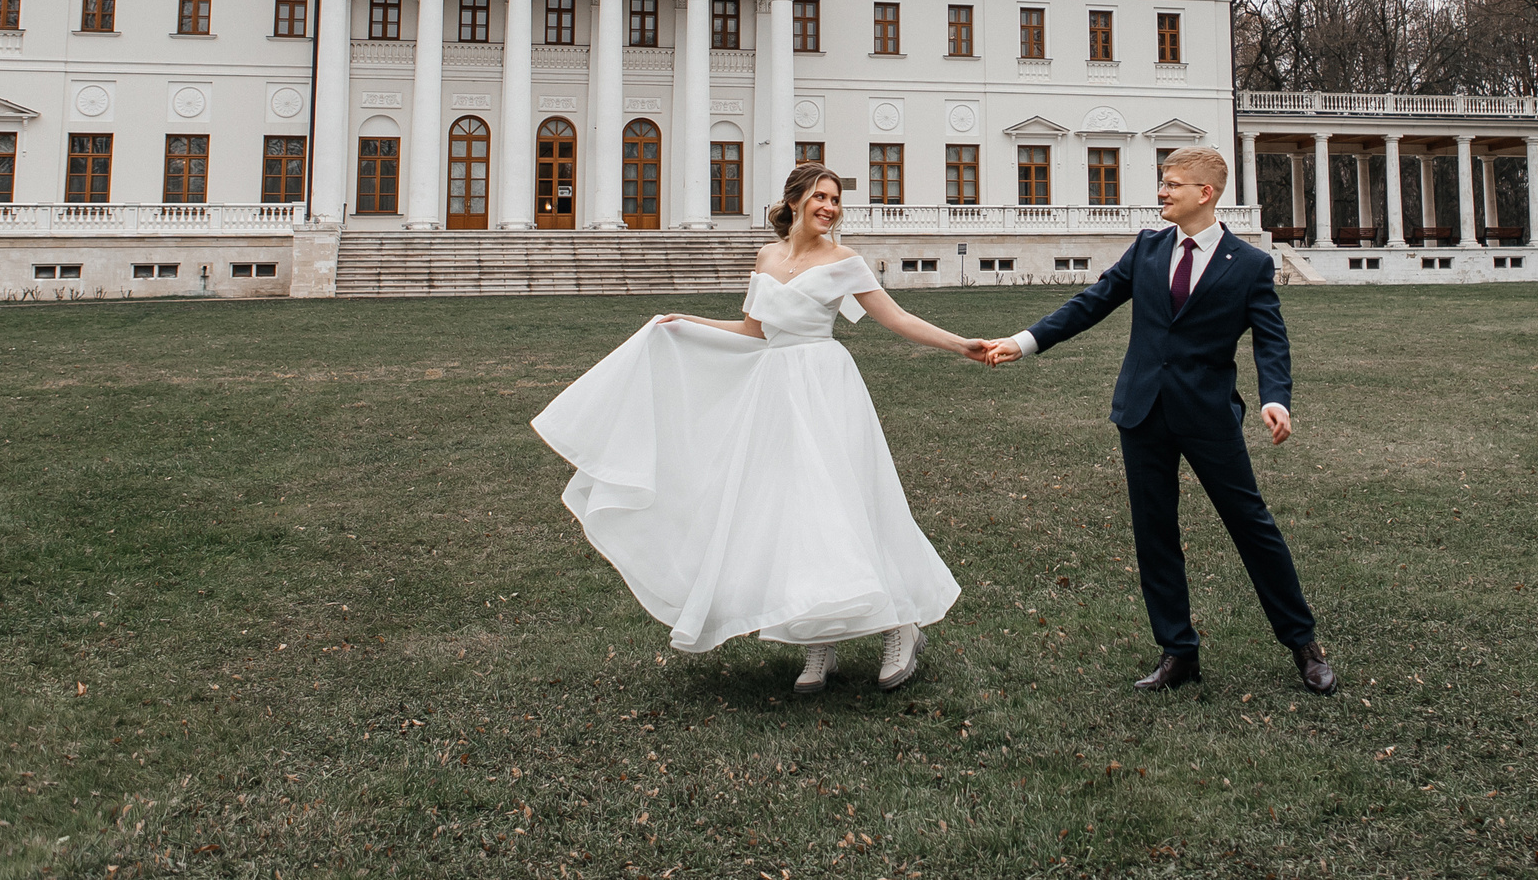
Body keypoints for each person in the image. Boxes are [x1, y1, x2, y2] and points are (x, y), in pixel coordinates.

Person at [533, 162, 992, 695]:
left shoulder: (846, 262)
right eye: (821, 197)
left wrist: (963, 345)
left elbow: (898, 320)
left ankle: (901, 625)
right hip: (774, 394)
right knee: (792, 512)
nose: (830, 208)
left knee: (845, 503)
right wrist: (687, 325)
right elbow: (753, 331)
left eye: (836, 200)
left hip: (825, 387)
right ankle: (820, 641)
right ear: (795, 200)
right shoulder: (767, 258)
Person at [982, 146, 1334, 695]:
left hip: (1208, 413)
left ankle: (1303, 644)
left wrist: (1277, 398)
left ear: (1205, 193)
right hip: (1142, 410)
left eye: (1172, 184)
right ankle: (1177, 651)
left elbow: (1271, 339)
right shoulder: (1146, 248)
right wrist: (1024, 342)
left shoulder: (1249, 264)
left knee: (1252, 527)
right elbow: (1091, 302)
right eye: (1163, 182)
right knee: (1155, 533)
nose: (1162, 192)